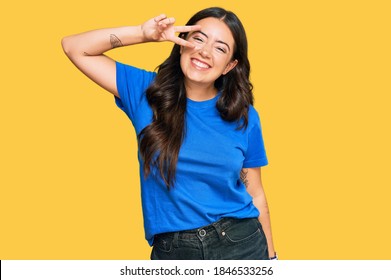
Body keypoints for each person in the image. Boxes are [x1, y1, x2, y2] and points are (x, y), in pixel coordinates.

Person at [62, 7, 277, 260]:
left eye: (220, 48)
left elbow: (256, 192)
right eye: (198, 38)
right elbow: (74, 47)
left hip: (242, 244)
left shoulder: (245, 116)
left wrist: (272, 261)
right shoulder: (145, 92)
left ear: (230, 65)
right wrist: (142, 34)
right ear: (182, 42)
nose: (204, 52)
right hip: (174, 252)